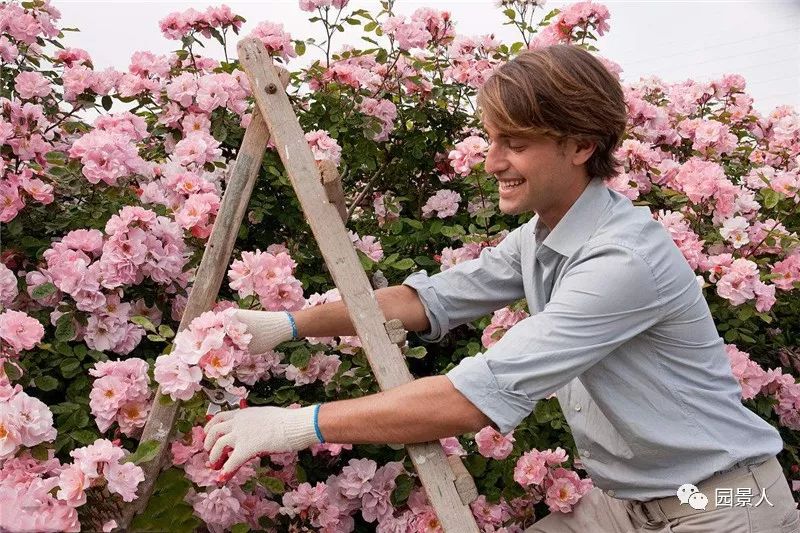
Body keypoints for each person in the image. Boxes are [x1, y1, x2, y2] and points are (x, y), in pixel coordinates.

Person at [203, 45, 799, 532]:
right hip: (629, 504)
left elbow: (472, 400)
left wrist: (295, 424)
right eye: (491, 140)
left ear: (581, 145)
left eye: (514, 144)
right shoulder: (544, 235)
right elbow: (424, 302)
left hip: (725, 505)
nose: (492, 163)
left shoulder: (621, 260)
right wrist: (284, 326)